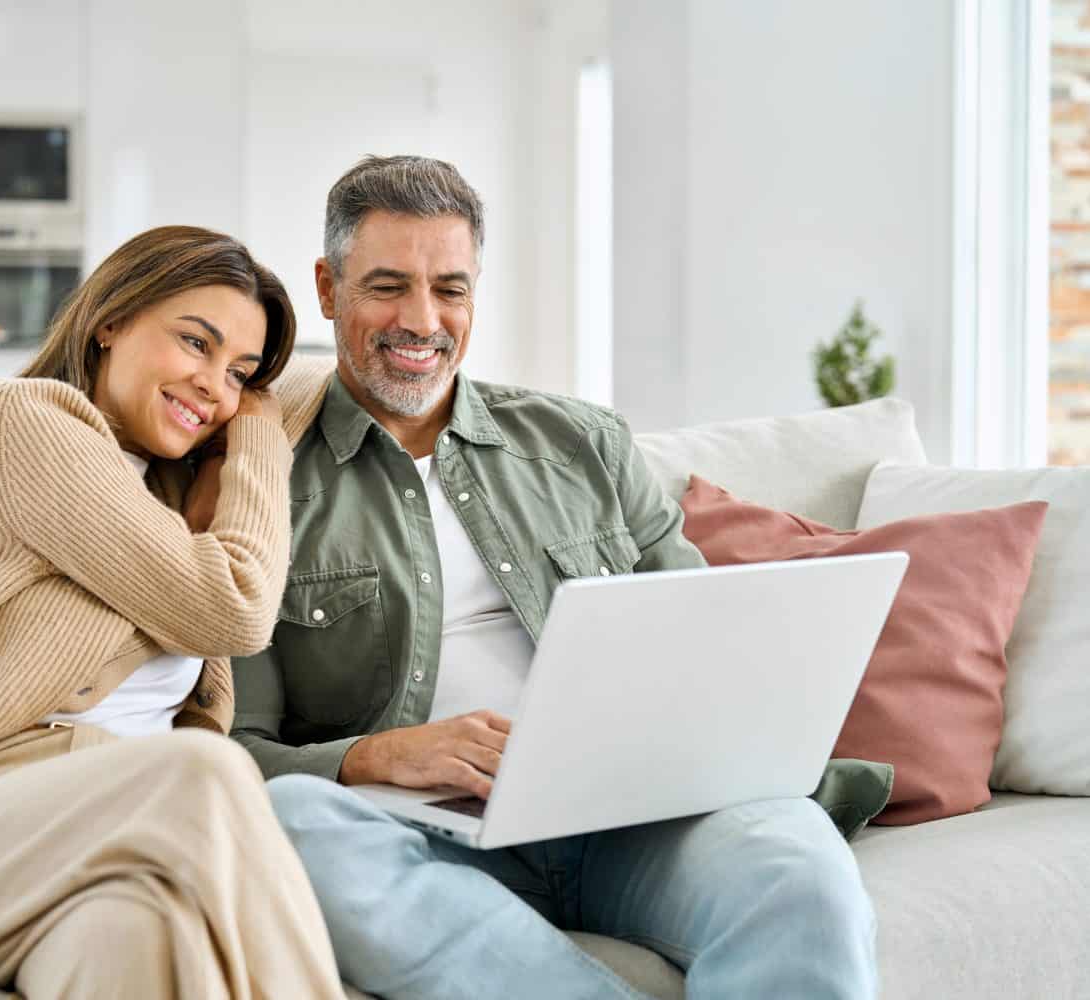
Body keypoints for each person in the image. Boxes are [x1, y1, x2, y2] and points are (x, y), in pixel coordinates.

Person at [233, 157, 881, 999]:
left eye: (451, 289)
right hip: (422, 833)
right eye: (388, 286)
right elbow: (232, 754)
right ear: (328, 287)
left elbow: (706, 639)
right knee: (291, 825)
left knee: (798, 868)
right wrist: (379, 755)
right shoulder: (259, 479)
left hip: (636, 821)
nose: (421, 320)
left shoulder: (582, 443)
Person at [0, 226, 347, 1000]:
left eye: (239, 372)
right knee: (204, 772)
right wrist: (255, 441)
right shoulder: (18, 422)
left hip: (79, 872)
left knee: (140, 934)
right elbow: (233, 610)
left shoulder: (170, 500)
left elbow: (341, 377)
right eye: (195, 342)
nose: (215, 386)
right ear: (111, 319)